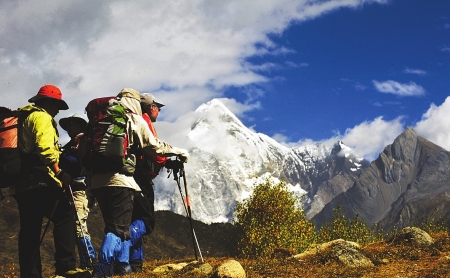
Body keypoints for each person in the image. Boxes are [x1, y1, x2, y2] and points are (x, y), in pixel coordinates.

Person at [91, 88, 189, 277]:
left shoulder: (100, 121)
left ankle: (120, 267)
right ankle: (102, 269)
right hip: (122, 181)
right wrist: (177, 151)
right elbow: (153, 146)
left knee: (112, 225)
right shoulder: (133, 119)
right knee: (118, 229)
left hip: (97, 182)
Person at [13, 85, 90, 278]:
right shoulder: (42, 117)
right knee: (65, 215)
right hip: (42, 180)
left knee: (30, 230)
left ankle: (30, 274)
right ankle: (66, 267)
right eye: (56, 106)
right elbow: (46, 149)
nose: (57, 111)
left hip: (22, 183)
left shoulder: (24, 118)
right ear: (48, 102)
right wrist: (59, 171)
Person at [120, 93, 169, 273]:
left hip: (127, 175)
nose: (159, 111)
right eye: (158, 107)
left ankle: (134, 263)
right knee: (146, 220)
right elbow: (152, 148)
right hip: (140, 176)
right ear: (151, 107)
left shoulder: (127, 120)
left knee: (134, 217)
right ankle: (122, 254)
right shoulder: (144, 121)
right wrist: (167, 159)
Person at [59, 114, 97, 270]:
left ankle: (89, 261)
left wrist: (63, 157)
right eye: (68, 125)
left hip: (81, 189)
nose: (69, 128)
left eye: (72, 124)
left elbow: (79, 163)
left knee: (78, 224)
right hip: (74, 188)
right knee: (76, 224)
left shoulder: (83, 144)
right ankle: (86, 261)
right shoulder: (72, 145)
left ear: (81, 126)